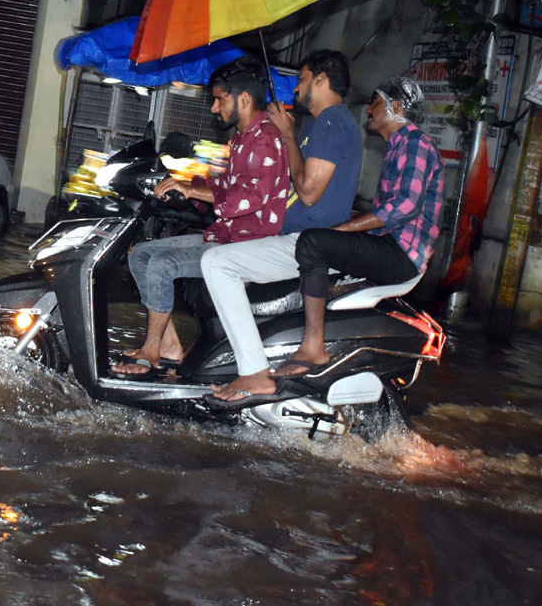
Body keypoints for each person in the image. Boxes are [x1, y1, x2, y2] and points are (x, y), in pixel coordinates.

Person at [109, 56, 289, 378]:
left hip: (246, 245)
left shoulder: (264, 138)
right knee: (142, 254)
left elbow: (251, 196)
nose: (214, 108)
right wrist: (183, 183)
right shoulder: (243, 140)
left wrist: (194, 193)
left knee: (161, 265)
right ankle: (167, 346)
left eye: (220, 99)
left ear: (243, 99)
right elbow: (225, 185)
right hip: (224, 235)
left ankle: (150, 351)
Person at [201, 50, 363, 402]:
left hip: (306, 242)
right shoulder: (322, 124)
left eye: (302, 80)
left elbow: (307, 192)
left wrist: (287, 134)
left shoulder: (332, 123)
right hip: (294, 237)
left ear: (321, 80)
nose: (295, 90)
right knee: (213, 255)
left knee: (216, 263)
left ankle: (254, 372)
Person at [273, 76, 445, 380]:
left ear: (396, 107)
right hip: (391, 246)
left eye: (375, 102)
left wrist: (345, 229)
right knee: (321, 238)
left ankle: (313, 346)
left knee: (314, 243)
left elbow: (405, 206)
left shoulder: (414, 142)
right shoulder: (398, 145)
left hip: (400, 254)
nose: (369, 110)